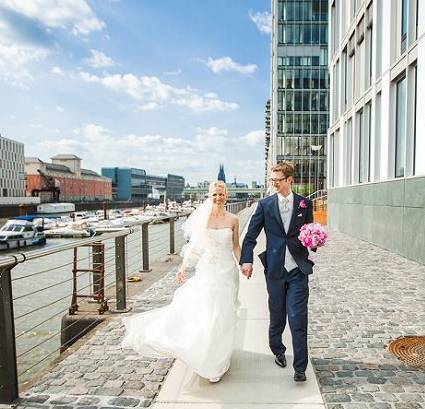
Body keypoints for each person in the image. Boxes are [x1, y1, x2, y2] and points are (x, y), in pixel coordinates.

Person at [121, 180, 241, 383]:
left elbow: (236, 246)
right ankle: (209, 360)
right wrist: (183, 267)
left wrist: (245, 264)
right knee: (210, 311)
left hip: (228, 269)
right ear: (209, 196)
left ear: (226, 195)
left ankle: (220, 353)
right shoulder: (203, 219)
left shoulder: (233, 219)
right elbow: (194, 246)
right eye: (214, 195)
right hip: (209, 270)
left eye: (221, 194)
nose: (218, 198)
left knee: (225, 314)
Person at [240, 162, 314, 383]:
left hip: (298, 269)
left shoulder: (304, 203)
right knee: (277, 314)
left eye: (278, 180)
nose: (274, 184)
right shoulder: (264, 205)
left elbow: (310, 231)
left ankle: (300, 367)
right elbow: (251, 236)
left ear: (289, 180)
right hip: (274, 269)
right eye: (271, 180)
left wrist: (315, 241)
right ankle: (278, 349)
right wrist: (247, 260)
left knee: (298, 318)